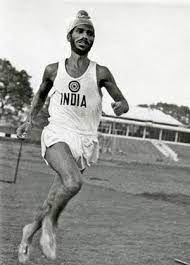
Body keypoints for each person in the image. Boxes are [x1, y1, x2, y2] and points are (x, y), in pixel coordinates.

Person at [17, 10, 129, 264]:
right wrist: (28, 120)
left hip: (85, 141)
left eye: (90, 33)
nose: (85, 36)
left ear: (93, 40)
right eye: (80, 31)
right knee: (73, 182)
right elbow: (40, 96)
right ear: (69, 35)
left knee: (52, 198)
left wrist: (121, 106)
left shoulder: (100, 72)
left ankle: (27, 235)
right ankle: (50, 227)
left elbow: (122, 101)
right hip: (58, 133)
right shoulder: (53, 69)